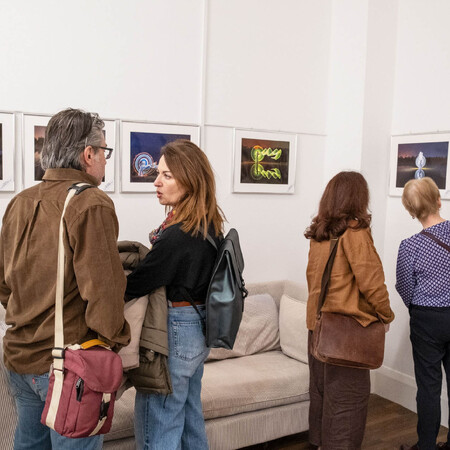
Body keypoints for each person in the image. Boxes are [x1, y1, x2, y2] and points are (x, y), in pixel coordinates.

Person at [0, 108, 130, 450]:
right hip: (67, 367)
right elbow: (104, 293)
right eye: (104, 151)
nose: (104, 160)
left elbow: (4, 285)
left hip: (18, 359)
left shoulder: (19, 202)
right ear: (88, 154)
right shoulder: (90, 202)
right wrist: (111, 346)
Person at [126, 139, 225, 450]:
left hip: (178, 330)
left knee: (159, 425)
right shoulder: (208, 224)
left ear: (190, 180)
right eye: (158, 173)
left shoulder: (178, 234)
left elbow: (138, 284)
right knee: (189, 419)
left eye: (167, 175)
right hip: (198, 327)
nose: (156, 182)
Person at [304, 171, 394, 450]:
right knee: (347, 402)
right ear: (358, 198)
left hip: (317, 329)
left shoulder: (320, 232)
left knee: (322, 395)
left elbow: (314, 282)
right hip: (345, 334)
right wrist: (386, 315)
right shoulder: (355, 232)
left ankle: (320, 444)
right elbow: (372, 282)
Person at [396, 177, 450, 450]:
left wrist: (417, 309)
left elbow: (404, 286)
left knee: (428, 386)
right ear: (439, 201)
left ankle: (426, 446)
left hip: (427, 319)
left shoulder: (410, 246)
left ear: (411, 211)